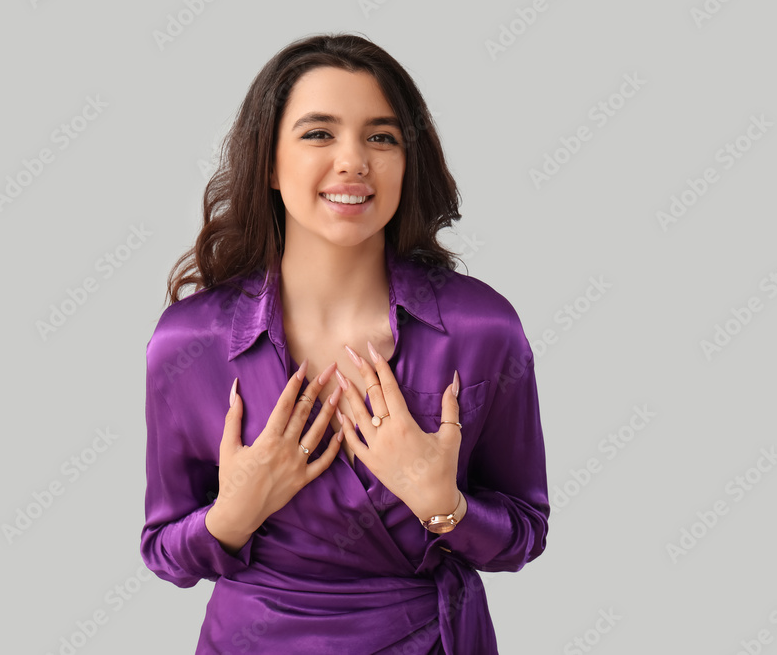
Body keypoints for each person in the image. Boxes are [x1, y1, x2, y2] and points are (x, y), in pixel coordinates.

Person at [140, 33, 549, 655]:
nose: (354, 160)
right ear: (269, 163)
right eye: (318, 133)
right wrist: (233, 513)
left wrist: (442, 503)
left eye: (381, 137)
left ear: (408, 162)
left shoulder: (483, 329)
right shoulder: (189, 342)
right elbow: (165, 553)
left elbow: (525, 532)